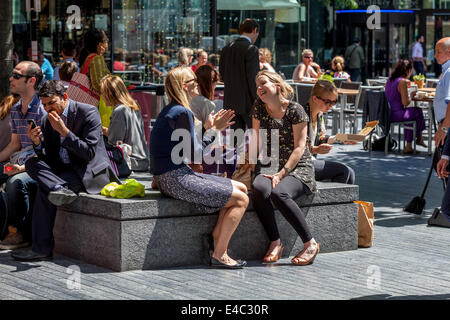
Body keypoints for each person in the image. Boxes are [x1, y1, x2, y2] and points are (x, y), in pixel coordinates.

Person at [149, 67, 249, 269]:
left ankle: (216, 240)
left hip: (169, 176)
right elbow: (194, 154)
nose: (196, 82)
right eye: (192, 79)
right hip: (175, 178)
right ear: (185, 86)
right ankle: (220, 254)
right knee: (242, 199)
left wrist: (205, 129)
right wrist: (213, 130)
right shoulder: (182, 112)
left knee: (242, 188)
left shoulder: (173, 110)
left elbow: (187, 147)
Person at [11, 80, 119, 261]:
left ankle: (41, 248)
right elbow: (48, 158)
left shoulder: (88, 112)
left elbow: (89, 153)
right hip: (62, 171)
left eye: (51, 103)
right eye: (44, 105)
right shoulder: (46, 119)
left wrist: (64, 132)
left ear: (65, 97)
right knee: (32, 164)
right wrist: (37, 143)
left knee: (44, 191)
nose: (47, 108)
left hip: (85, 171)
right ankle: (58, 188)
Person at [250, 70, 320, 266]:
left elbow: (300, 147)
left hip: (298, 166)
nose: (259, 89)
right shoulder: (259, 108)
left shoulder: (295, 110)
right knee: (259, 188)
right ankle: (275, 242)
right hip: (270, 163)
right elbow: (256, 140)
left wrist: (281, 174)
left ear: (277, 86)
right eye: (257, 86)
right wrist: (248, 168)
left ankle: (310, 243)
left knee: (278, 193)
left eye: (263, 83)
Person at [0, 61, 46, 250]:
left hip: (40, 164)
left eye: (17, 76)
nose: (11, 78)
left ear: (31, 81)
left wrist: (22, 168)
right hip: (20, 160)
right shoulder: (16, 109)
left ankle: (17, 232)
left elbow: (47, 153)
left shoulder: (43, 109)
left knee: (16, 182)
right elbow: (14, 144)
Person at [304, 80, 355, 184]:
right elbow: (299, 147)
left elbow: (321, 139)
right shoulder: (302, 116)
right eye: (328, 102)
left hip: (311, 160)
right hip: (300, 163)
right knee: (343, 171)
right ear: (315, 98)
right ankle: (335, 199)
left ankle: (344, 200)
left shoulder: (319, 115)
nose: (331, 106)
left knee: (351, 172)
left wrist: (341, 138)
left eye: (334, 102)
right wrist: (316, 149)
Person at [100, 75, 149, 172]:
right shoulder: (133, 106)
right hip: (142, 161)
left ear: (110, 93)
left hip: (131, 162)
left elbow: (115, 142)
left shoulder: (120, 110)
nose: (102, 97)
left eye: (103, 93)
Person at [219, 18, 260, 131]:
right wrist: (258, 100)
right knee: (258, 138)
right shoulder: (251, 49)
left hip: (231, 102)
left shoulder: (226, 49)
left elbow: (222, 75)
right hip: (249, 103)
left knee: (236, 142)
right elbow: (253, 79)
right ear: (255, 30)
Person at [428, 37, 450, 227]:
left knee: (445, 166)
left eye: (438, 51)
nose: (435, 55)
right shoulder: (446, 71)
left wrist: (443, 128)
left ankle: (447, 211)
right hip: (445, 125)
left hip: (447, 126)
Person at [384, 59, 426, 154]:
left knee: (411, 114)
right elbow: (405, 103)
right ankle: (418, 140)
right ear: (408, 71)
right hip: (397, 114)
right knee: (418, 111)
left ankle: (409, 145)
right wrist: (411, 95)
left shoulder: (390, 79)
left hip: (388, 113)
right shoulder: (402, 82)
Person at [78, 28, 111, 97]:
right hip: (98, 103)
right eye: (105, 40)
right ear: (100, 45)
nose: (107, 42)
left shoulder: (89, 57)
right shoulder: (96, 59)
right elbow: (97, 85)